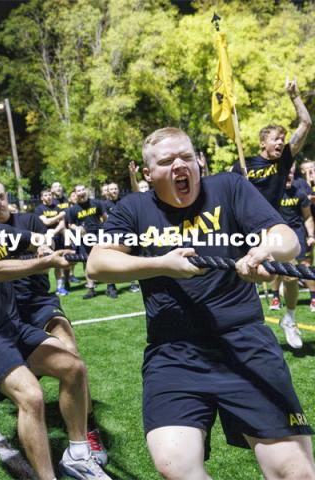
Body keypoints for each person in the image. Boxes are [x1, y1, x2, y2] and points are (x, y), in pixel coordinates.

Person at [87, 127, 315, 480]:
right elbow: (98, 264)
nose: (180, 164)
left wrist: (263, 251)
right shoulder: (133, 208)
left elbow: (286, 238)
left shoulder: (229, 187)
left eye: (186, 157)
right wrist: (162, 264)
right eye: (167, 161)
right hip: (174, 354)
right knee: (175, 467)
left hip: (245, 344)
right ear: (148, 175)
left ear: (198, 162)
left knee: (296, 472)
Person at [0, 179, 111, 480]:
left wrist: (42, 243)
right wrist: (45, 261)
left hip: (12, 326)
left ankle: (77, 452)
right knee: (31, 397)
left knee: (74, 366)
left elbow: (30, 237)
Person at [232, 77, 312, 208]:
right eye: (275, 139)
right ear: (263, 143)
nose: (280, 143)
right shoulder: (244, 164)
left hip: (272, 220)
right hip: (245, 223)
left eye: (282, 140)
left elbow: (306, 123)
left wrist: (294, 96)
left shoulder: (283, 160)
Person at [268, 166, 315, 349]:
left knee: (300, 272)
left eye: (291, 172)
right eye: (285, 172)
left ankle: (290, 316)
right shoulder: (269, 193)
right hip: (279, 235)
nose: (288, 175)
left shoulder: (300, 193)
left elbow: (308, 217)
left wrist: (310, 235)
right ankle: (280, 303)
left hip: (298, 235)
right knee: (289, 275)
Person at [68, 184, 107, 299]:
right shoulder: (73, 209)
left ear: (86, 191)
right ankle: (91, 288)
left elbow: (105, 217)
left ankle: (111, 286)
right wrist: (77, 228)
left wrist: (105, 230)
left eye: (82, 190)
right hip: (84, 238)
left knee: (104, 261)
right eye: (78, 191)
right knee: (87, 262)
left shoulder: (97, 203)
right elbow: (71, 224)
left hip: (99, 235)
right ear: (75, 194)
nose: (81, 192)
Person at [34, 189, 69, 296]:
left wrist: (54, 231)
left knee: (58, 263)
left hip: (57, 237)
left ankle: (60, 287)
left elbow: (62, 224)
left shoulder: (56, 207)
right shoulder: (39, 209)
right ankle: (43, 289)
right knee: (45, 264)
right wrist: (60, 215)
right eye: (46, 195)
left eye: (50, 195)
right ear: (41, 197)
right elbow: (46, 222)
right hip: (45, 239)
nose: (48, 197)